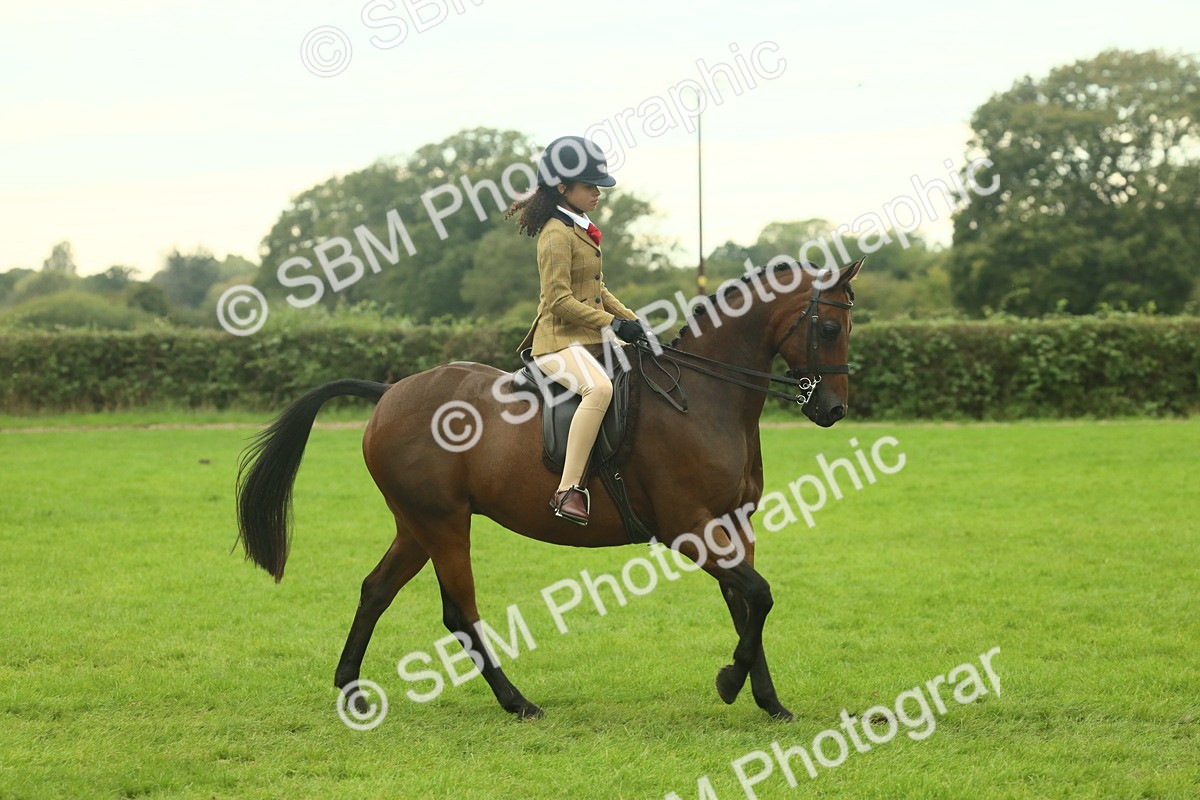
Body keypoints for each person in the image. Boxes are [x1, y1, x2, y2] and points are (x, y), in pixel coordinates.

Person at [506, 135, 648, 526]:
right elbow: (559, 301)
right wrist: (613, 324)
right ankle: (568, 489)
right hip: (556, 346)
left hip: (587, 343)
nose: (598, 193)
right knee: (599, 389)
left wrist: (633, 321)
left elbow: (597, 289)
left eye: (598, 186)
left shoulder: (579, 229)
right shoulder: (555, 234)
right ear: (562, 188)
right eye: (590, 187)